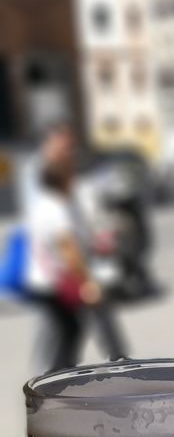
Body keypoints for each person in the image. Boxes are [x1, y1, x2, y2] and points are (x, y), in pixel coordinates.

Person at [25, 122, 128, 372]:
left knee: (69, 327)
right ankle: (115, 361)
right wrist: (86, 281)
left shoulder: (54, 200)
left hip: (54, 275)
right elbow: (67, 247)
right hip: (58, 276)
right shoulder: (54, 204)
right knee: (77, 323)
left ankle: (58, 373)